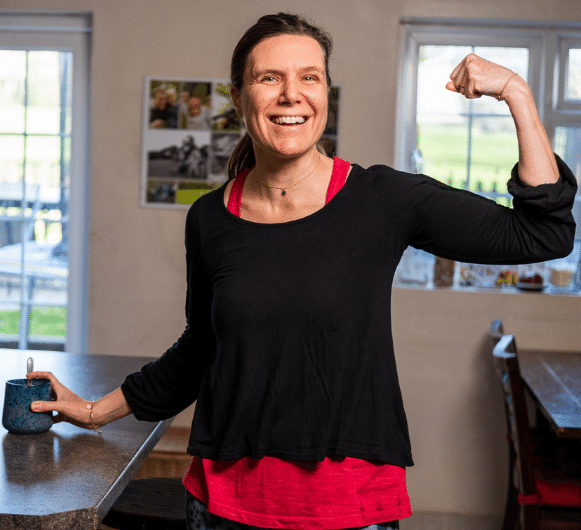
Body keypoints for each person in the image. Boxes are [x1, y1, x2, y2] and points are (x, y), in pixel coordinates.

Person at [29, 12, 577, 530]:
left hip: (351, 508)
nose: (291, 93)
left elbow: (544, 232)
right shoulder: (209, 219)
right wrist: (95, 411)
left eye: (308, 77)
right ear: (239, 99)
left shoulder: (383, 199)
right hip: (223, 503)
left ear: (324, 97)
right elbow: (201, 349)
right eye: (270, 77)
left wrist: (517, 93)